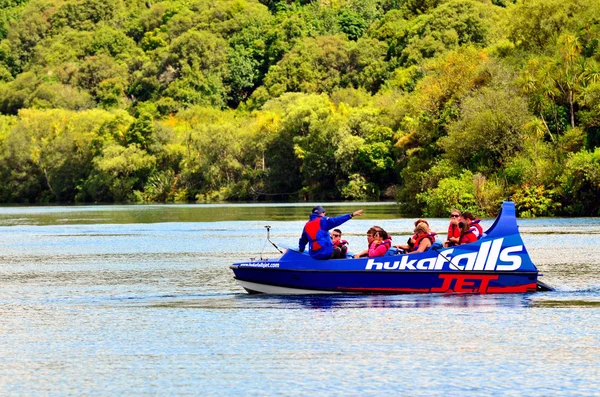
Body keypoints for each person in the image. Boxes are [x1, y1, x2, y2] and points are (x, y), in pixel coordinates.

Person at [299, 206, 363, 259]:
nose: (324, 215)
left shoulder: (307, 225)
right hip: (324, 252)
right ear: (321, 213)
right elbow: (336, 220)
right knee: (337, 250)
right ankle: (342, 264)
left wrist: (301, 250)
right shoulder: (323, 220)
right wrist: (351, 215)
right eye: (324, 213)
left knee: (339, 249)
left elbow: (303, 240)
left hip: (314, 254)